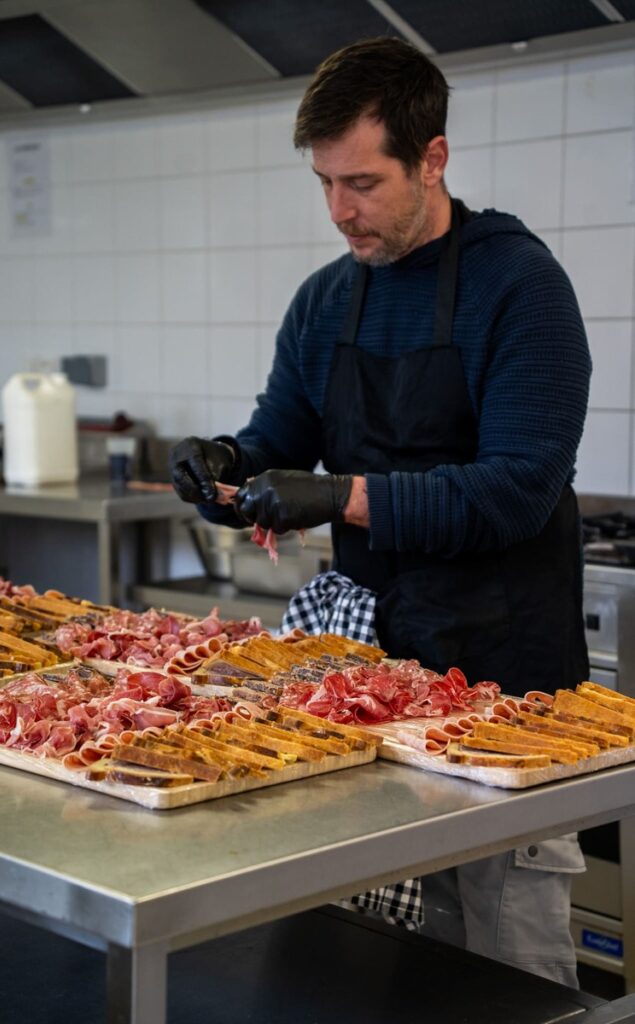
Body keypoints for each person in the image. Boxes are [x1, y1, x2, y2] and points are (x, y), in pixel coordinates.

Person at [169, 37, 591, 987]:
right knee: (382, 966)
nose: (338, 210)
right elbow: (278, 435)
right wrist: (224, 468)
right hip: (367, 684)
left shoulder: (519, 287)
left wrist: (340, 496)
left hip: (503, 691)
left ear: (431, 158)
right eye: (324, 183)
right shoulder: (326, 300)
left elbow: (518, 487)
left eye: (361, 183)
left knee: (507, 964)